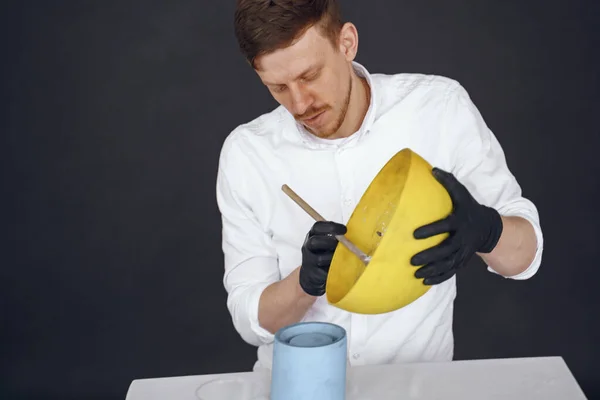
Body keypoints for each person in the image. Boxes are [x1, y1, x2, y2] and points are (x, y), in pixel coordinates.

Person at [216, 0, 543, 371]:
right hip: (300, 388)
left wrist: (486, 229)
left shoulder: (438, 109)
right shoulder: (248, 153)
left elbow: (525, 259)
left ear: (347, 43)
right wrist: (303, 284)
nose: (300, 103)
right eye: (278, 87)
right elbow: (249, 319)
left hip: (419, 390)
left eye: (310, 76)